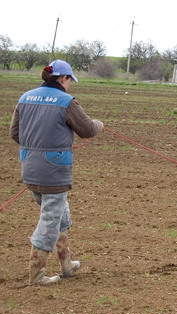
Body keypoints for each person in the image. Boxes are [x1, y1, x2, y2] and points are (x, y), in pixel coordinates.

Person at [10, 59, 104, 285]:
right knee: (51, 220)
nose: (70, 84)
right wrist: (100, 124)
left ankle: (67, 264)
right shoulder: (66, 102)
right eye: (70, 80)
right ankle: (36, 274)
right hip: (54, 173)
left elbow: (15, 133)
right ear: (63, 78)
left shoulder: (25, 97)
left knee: (60, 216)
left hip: (30, 168)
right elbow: (87, 129)